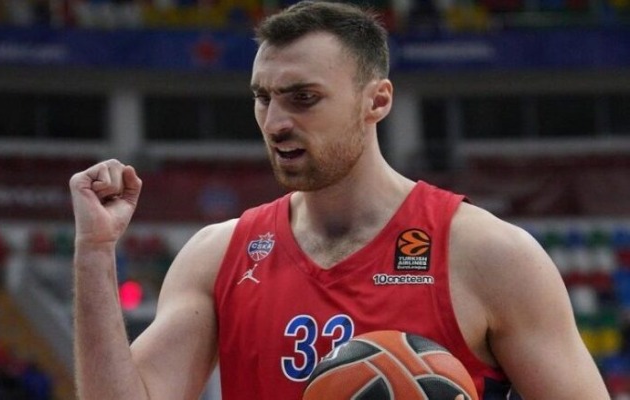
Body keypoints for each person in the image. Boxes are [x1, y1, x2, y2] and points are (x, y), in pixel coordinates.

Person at [69, 1, 610, 399]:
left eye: (303, 98)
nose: (275, 122)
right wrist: (94, 252)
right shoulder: (218, 255)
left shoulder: (489, 255)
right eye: (263, 98)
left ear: (377, 101)